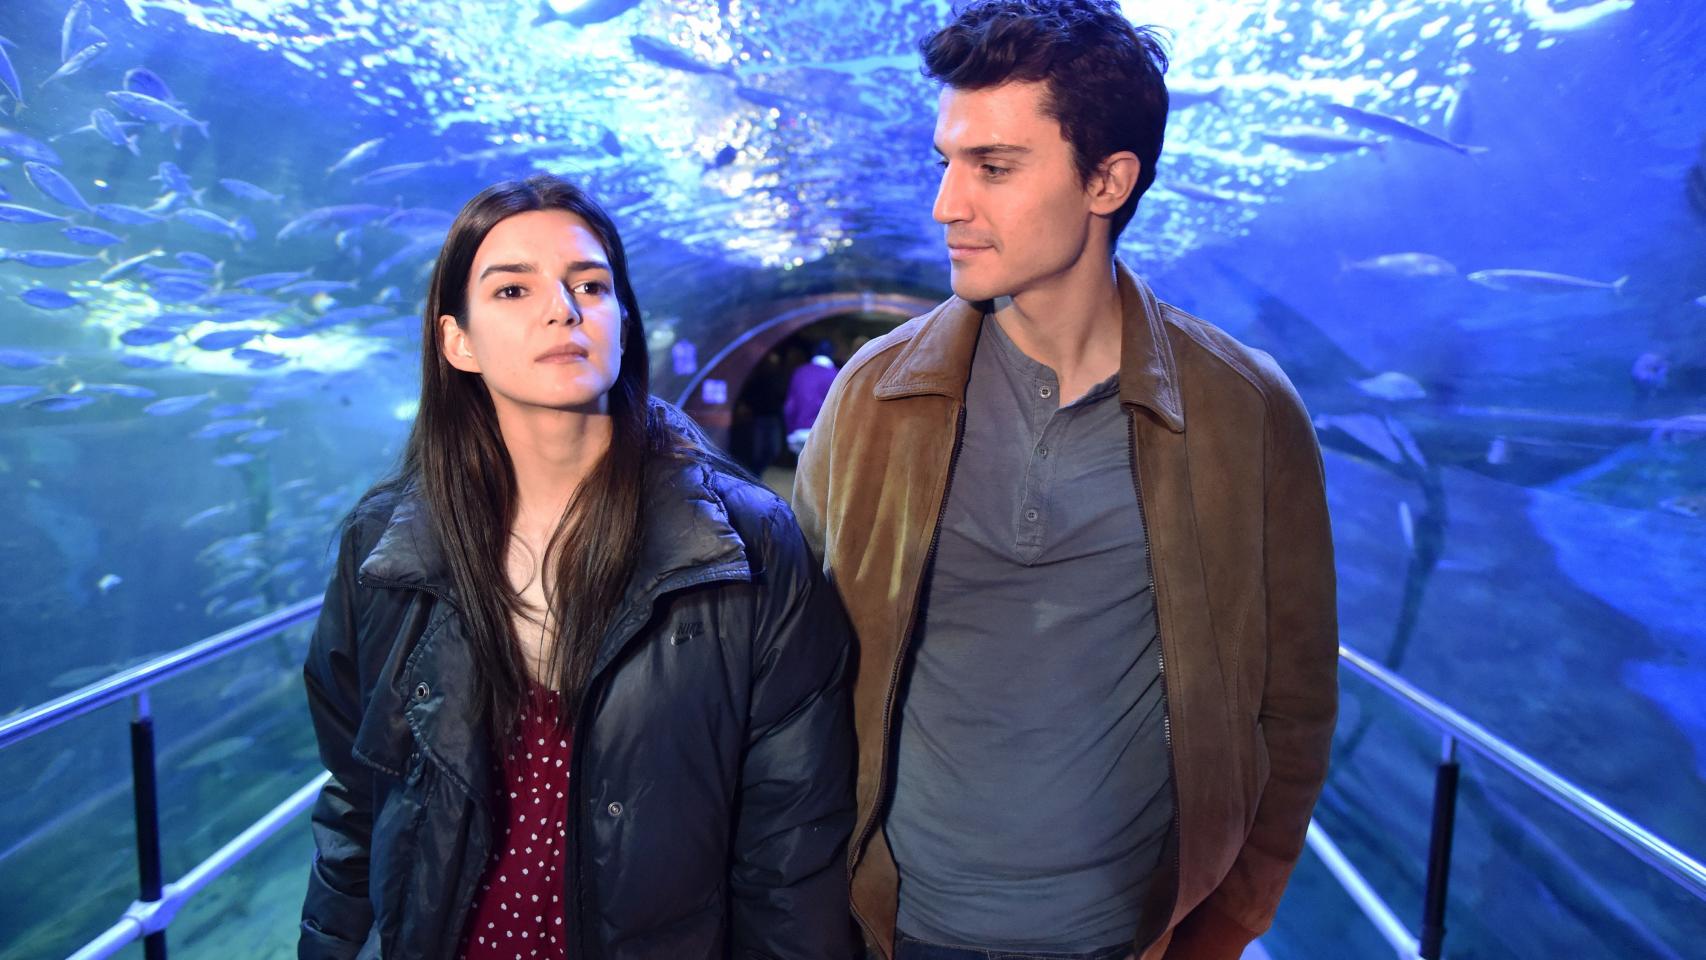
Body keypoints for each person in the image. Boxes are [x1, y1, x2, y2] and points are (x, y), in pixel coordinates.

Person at [793, 2, 1338, 959]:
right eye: (947, 162)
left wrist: (1227, 929)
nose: (946, 204)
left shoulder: (1245, 411)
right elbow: (789, 680)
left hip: (1131, 939)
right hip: (896, 931)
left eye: (993, 167)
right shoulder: (873, 398)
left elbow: (1292, 708)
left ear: (1107, 180)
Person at [299, 174, 856, 960]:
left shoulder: (744, 546)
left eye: (589, 284)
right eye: (513, 289)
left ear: (623, 322)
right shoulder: (387, 550)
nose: (562, 308)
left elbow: (792, 841)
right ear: (456, 340)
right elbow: (360, 796)